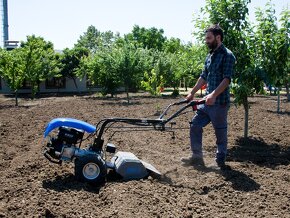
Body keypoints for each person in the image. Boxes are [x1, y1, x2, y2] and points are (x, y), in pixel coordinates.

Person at [181, 24, 236, 168]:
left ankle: (220, 159)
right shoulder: (210, 56)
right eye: (206, 38)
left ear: (218, 38)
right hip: (206, 102)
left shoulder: (228, 56)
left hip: (219, 102)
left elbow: (227, 79)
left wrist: (213, 94)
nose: (206, 41)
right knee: (195, 125)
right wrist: (192, 93)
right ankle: (197, 156)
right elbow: (203, 77)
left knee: (220, 132)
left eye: (209, 38)